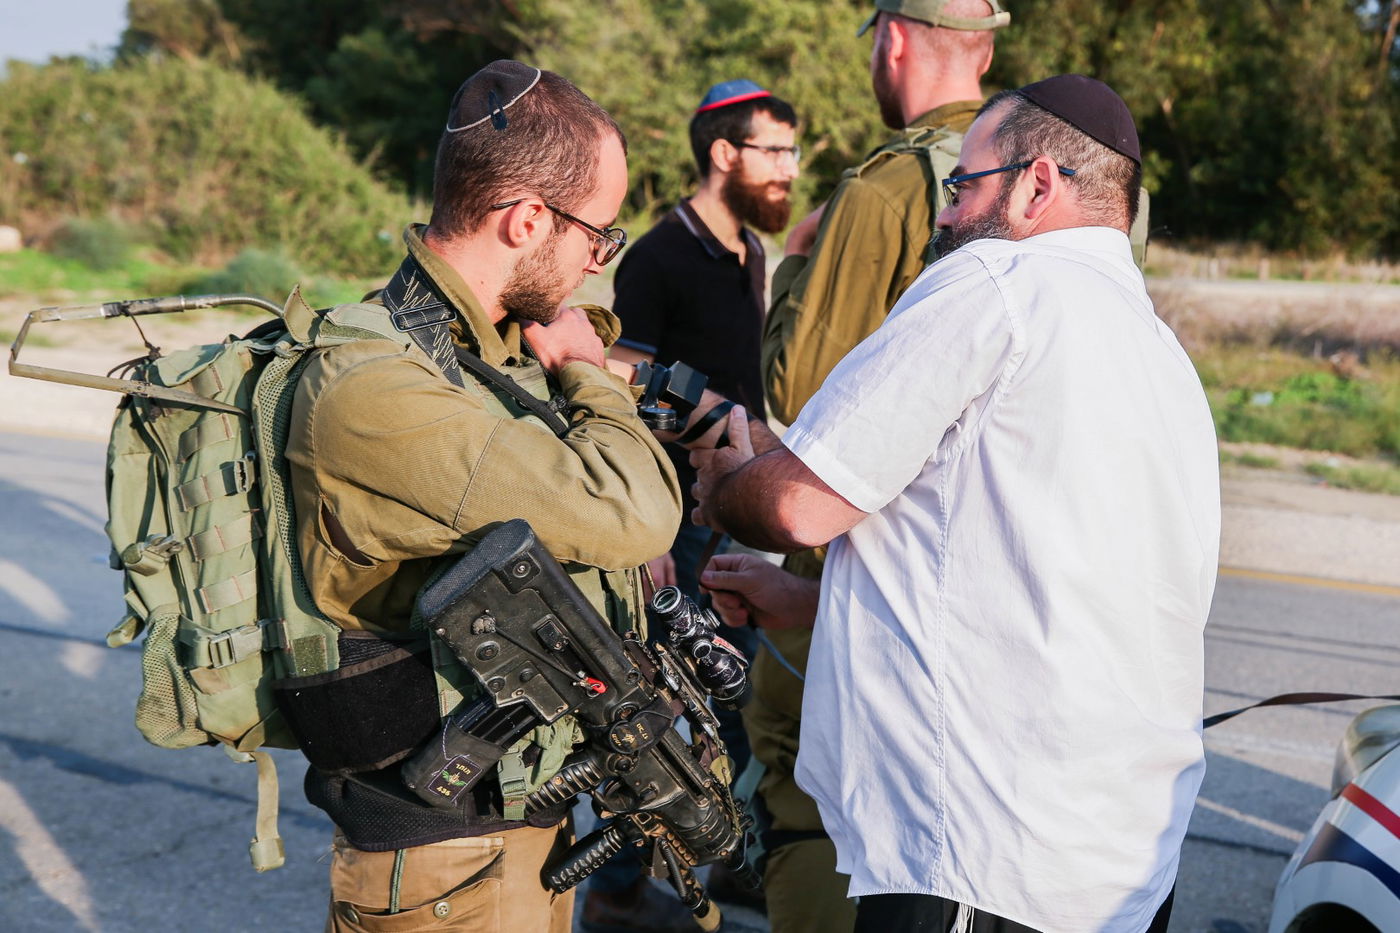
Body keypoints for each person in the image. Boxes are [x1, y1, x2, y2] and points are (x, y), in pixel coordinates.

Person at [692, 74, 1219, 932]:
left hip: (980, 856)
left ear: (1037, 183)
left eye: (962, 186)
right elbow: (1036, 594)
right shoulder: (1163, 357)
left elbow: (795, 506)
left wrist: (723, 477)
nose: (944, 215)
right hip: (1118, 870)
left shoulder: (999, 283)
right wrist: (808, 602)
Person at [283, 61, 691, 932]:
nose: (598, 260)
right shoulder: (378, 390)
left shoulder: (482, 356)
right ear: (528, 218)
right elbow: (634, 510)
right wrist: (587, 373)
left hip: (517, 834)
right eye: (600, 234)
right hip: (444, 862)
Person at [746, 2, 1009, 930]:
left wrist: (799, 263)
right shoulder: (1062, 177)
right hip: (998, 564)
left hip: (868, 552)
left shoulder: (888, 188)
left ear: (893, 40)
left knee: (808, 783)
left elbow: (798, 381)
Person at [578, 79, 799, 932]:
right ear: (724, 153)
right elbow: (614, 383)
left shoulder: (748, 253)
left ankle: (720, 859)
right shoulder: (662, 255)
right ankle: (617, 890)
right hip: (668, 520)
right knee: (655, 713)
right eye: (774, 151)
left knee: (728, 698)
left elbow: (740, 389)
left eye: (789, 152)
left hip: (728, 513)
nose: (788, 168)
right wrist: (640, 533)